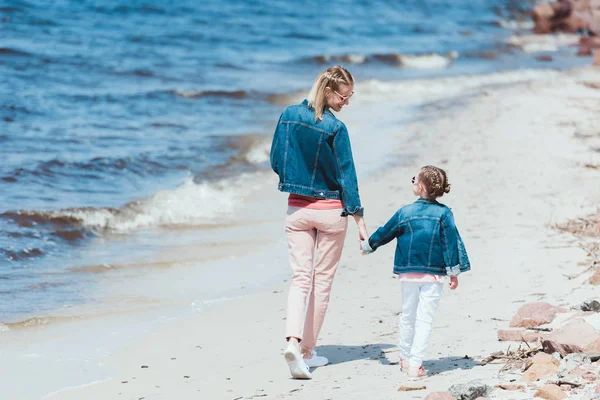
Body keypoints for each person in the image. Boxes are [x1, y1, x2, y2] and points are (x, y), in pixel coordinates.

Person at [270, 65, 368, 379]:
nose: (347, 102)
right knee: (321, 283)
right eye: (344, 96)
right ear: (328, 92)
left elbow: (275, 158)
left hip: (297, 210)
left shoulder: (287, 115)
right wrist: (359, 218)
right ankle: (307, 353)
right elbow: (346, 175)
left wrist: (294, 180)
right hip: (330, 212)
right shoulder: (336, 128)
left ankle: (291, 340)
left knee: (300, 279)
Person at [361, 165, 470, 378]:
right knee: (424, 320)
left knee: (408, 316)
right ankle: (415, 365)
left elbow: (386, 231)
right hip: (434, 275)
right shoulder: (444, 213)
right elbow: (450, 243)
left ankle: (404, 358)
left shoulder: (405, 212)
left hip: (408, 273)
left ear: (420, 187)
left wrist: (368, 245)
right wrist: (453, 272)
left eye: (414, 180)